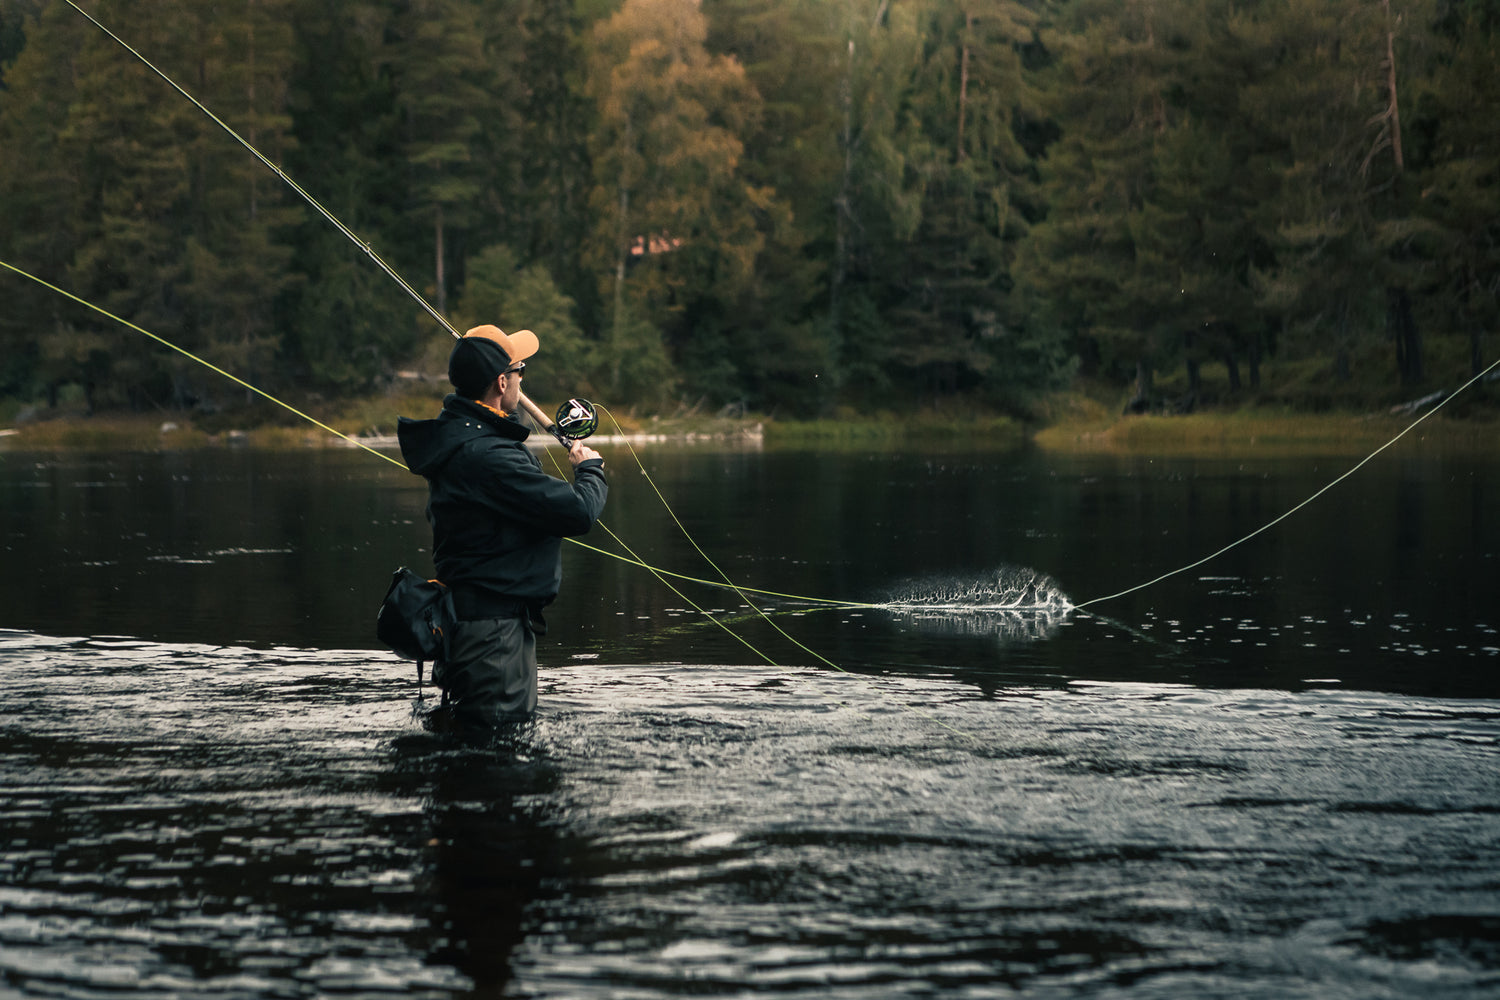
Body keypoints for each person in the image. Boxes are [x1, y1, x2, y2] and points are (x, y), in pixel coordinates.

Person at [397, 325, 607, 725]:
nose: (522, 378)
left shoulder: (461, 439)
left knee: (475, 751)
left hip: (475, 626)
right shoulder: (488, 456)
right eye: (520, 370)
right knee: (495, 762)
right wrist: (590, 470)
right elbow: (578, 512)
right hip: (491, 637)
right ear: (501, 381)